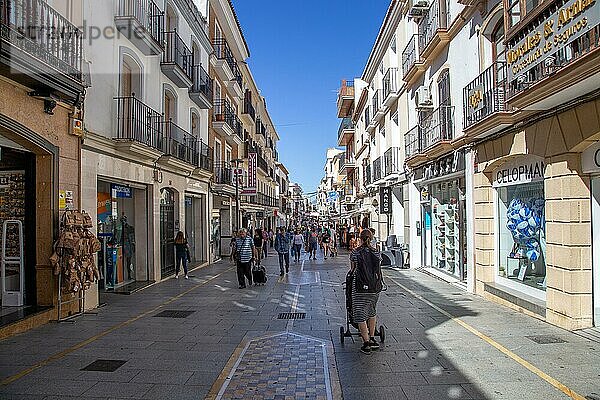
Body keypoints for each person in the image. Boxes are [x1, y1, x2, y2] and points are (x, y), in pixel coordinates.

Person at [350, 229, 383, 354]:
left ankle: (366, 343)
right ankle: (373, 338)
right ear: (371, 238)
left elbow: (352, 270)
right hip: (374, 288)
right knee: (372, 311)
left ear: (360, 238)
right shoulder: (376, 253)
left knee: (360, 315)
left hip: (359, 288)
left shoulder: (355, 253)